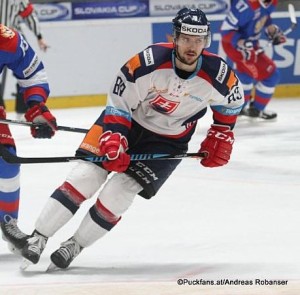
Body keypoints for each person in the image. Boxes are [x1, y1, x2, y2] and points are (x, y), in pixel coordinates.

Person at [7, 8, 244, 270]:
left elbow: (232, 103)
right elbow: (119, 100)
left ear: (206, 41)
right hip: (126, 123)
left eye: (199, 40)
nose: (192, 46)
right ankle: (38, 237)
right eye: (186, 38)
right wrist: (116, 136)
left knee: (119, 194)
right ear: (174, 37)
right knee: (85, 176)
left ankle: (75, 244)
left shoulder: (219, 74)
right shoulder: (148, 61)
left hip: (167, 141)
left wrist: (222, 132)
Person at [0, 24, 57, 253]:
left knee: (7, 162)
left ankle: (8, 222)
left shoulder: (6, 39)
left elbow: (33, 73)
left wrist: (36, 107)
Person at [220, 0, 286, 120]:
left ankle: (238, 108)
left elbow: (264, 18)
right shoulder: (245, 6)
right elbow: (225, 31)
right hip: (235, 46)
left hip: (251, 44)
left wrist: (271, 30)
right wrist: (242, 43)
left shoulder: (273, 2)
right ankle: (256, 109)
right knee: (271, 75)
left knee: (246, 77)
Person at [0, 0, 49, 114]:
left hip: (12, 40)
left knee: (26, 74)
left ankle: (22, 109)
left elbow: (29, 15)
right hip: (13, 40)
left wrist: (39, 36)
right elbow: (30, 15)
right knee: (27, 74)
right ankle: (24, 108)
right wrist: (39, 36)